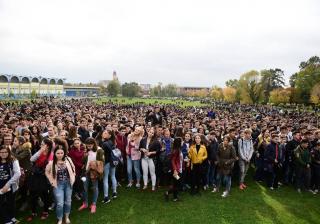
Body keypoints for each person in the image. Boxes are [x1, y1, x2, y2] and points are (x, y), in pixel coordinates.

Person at [45, 138, 76, 224]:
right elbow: (46, 172)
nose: (60, 155)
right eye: (58, 153)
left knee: (68, 201)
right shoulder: (51, 163)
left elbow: (73, 168)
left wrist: (73, 177)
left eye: (61, 153)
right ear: (54, 153)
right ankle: (59, 218)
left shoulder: (68, 159)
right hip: (58, 185)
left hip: (68, 183)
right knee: (60, 203)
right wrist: (51, 180)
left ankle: (66, 217)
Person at [27, 138, 53, 221]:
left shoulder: (51, 154)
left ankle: (45, 211)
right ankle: (33, 212)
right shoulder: (39, 152)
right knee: (33, 193)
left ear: (47, 146)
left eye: (43, 144)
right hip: (35, 175)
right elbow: (31, 159)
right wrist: (40, 151)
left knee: (45, 194)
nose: (41, 145)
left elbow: (48, 166)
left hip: (44, 176)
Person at [78, 137, 104, 213]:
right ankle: (85, 203)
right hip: (86, 172)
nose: (88, 147)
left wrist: (93, 164)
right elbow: (83, 161)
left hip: (94, 172)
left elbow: (102, 162)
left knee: (95, 188)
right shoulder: (86, 150)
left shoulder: (99, 150)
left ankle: (94, 204)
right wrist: (85, 155)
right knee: (84, 188)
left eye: (90, 146)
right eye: (87, 146)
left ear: (94, 144)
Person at [0, 145, 21, 224]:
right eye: (1, 152)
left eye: (5, 152)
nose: (3, 154)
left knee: (11, 202)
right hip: (0, 186)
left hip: (10, 185)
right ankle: (7, 220)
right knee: (1, 203)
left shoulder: (13, 160)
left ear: (9, 153)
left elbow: (17, 174)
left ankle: (12, 217)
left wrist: (7, 185)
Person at [102, 129, 118, 203]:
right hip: (113, 161)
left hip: (107, 162)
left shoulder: (104, 143)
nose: (103, 134)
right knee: (113, 176)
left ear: (109, 135)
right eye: (103, 132)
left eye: (105, 133)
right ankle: (114, 193)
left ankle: (106, 197)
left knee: (105, 179)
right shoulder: (112, 142)